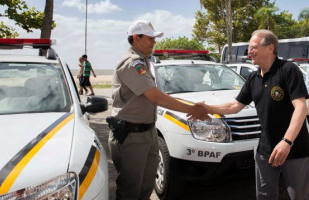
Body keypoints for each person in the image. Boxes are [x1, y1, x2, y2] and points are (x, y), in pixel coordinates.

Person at [200, 29, 309, 200]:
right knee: (265, 196)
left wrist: (287, 141)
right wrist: (207, 108)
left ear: (270, 48)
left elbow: (301, 107)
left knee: (298, 196)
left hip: (294, 149)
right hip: (265, 150)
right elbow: (235, 106)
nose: (248, 51)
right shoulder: (253, 78)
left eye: (253, 47)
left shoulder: (288, 70)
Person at [107, 19, 209, 200]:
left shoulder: (144, 61)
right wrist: (192, 110)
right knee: (130, 190)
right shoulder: (132, 63)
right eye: (150, 38)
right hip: (131, 135)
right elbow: (156, 96)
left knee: (146, 187)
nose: (154, 42)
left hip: (147, 132)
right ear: (136, 38)